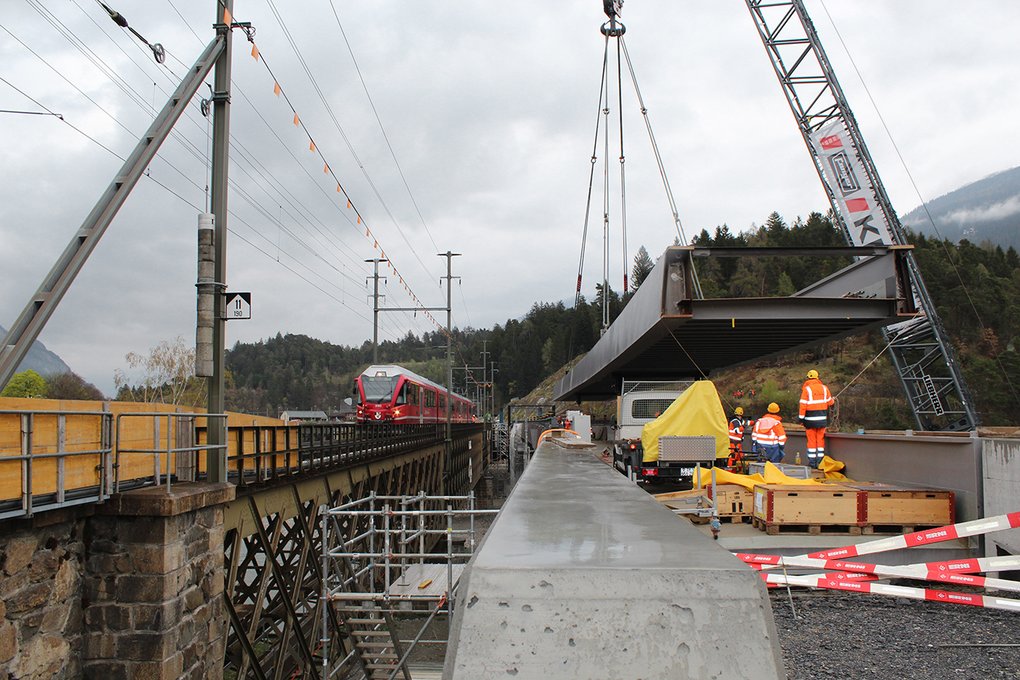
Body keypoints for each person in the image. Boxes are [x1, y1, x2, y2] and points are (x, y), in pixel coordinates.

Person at [799, 369, 835, 468]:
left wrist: (801, 419)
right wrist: (833, 400)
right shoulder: (825, 388)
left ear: (808, 378)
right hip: (822, 420)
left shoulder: (806, 389)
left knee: (811, 441)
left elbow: (803, 405)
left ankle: (812, 463)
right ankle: (820, 462)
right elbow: (830, 402)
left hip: (810, 421)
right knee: (820, 440)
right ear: (818, 377)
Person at [726, 406, 749, 471]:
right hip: (733, 442)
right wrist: (743, 427)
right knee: (733, 456)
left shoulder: (740, 421)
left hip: (738, 442)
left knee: (740, 456)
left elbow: (747, 422)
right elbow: (737, 430)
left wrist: (755, 422)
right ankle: (730, 470)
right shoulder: (735, 421)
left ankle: (739, 470)